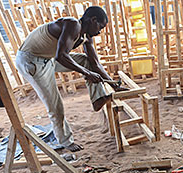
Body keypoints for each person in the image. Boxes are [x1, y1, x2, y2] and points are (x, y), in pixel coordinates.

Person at [15, 6, 118, 152]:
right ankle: (65, 142)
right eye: (100, 26)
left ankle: (98, 98)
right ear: (93, 20)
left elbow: (94, 63)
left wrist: (114, 85)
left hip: (47, 58)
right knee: (55, 104)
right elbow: (61, 56)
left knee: (86, 61)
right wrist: (87, 74)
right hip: (31, 60)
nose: (100, 31)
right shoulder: (73, 24)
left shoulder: (87, 37)